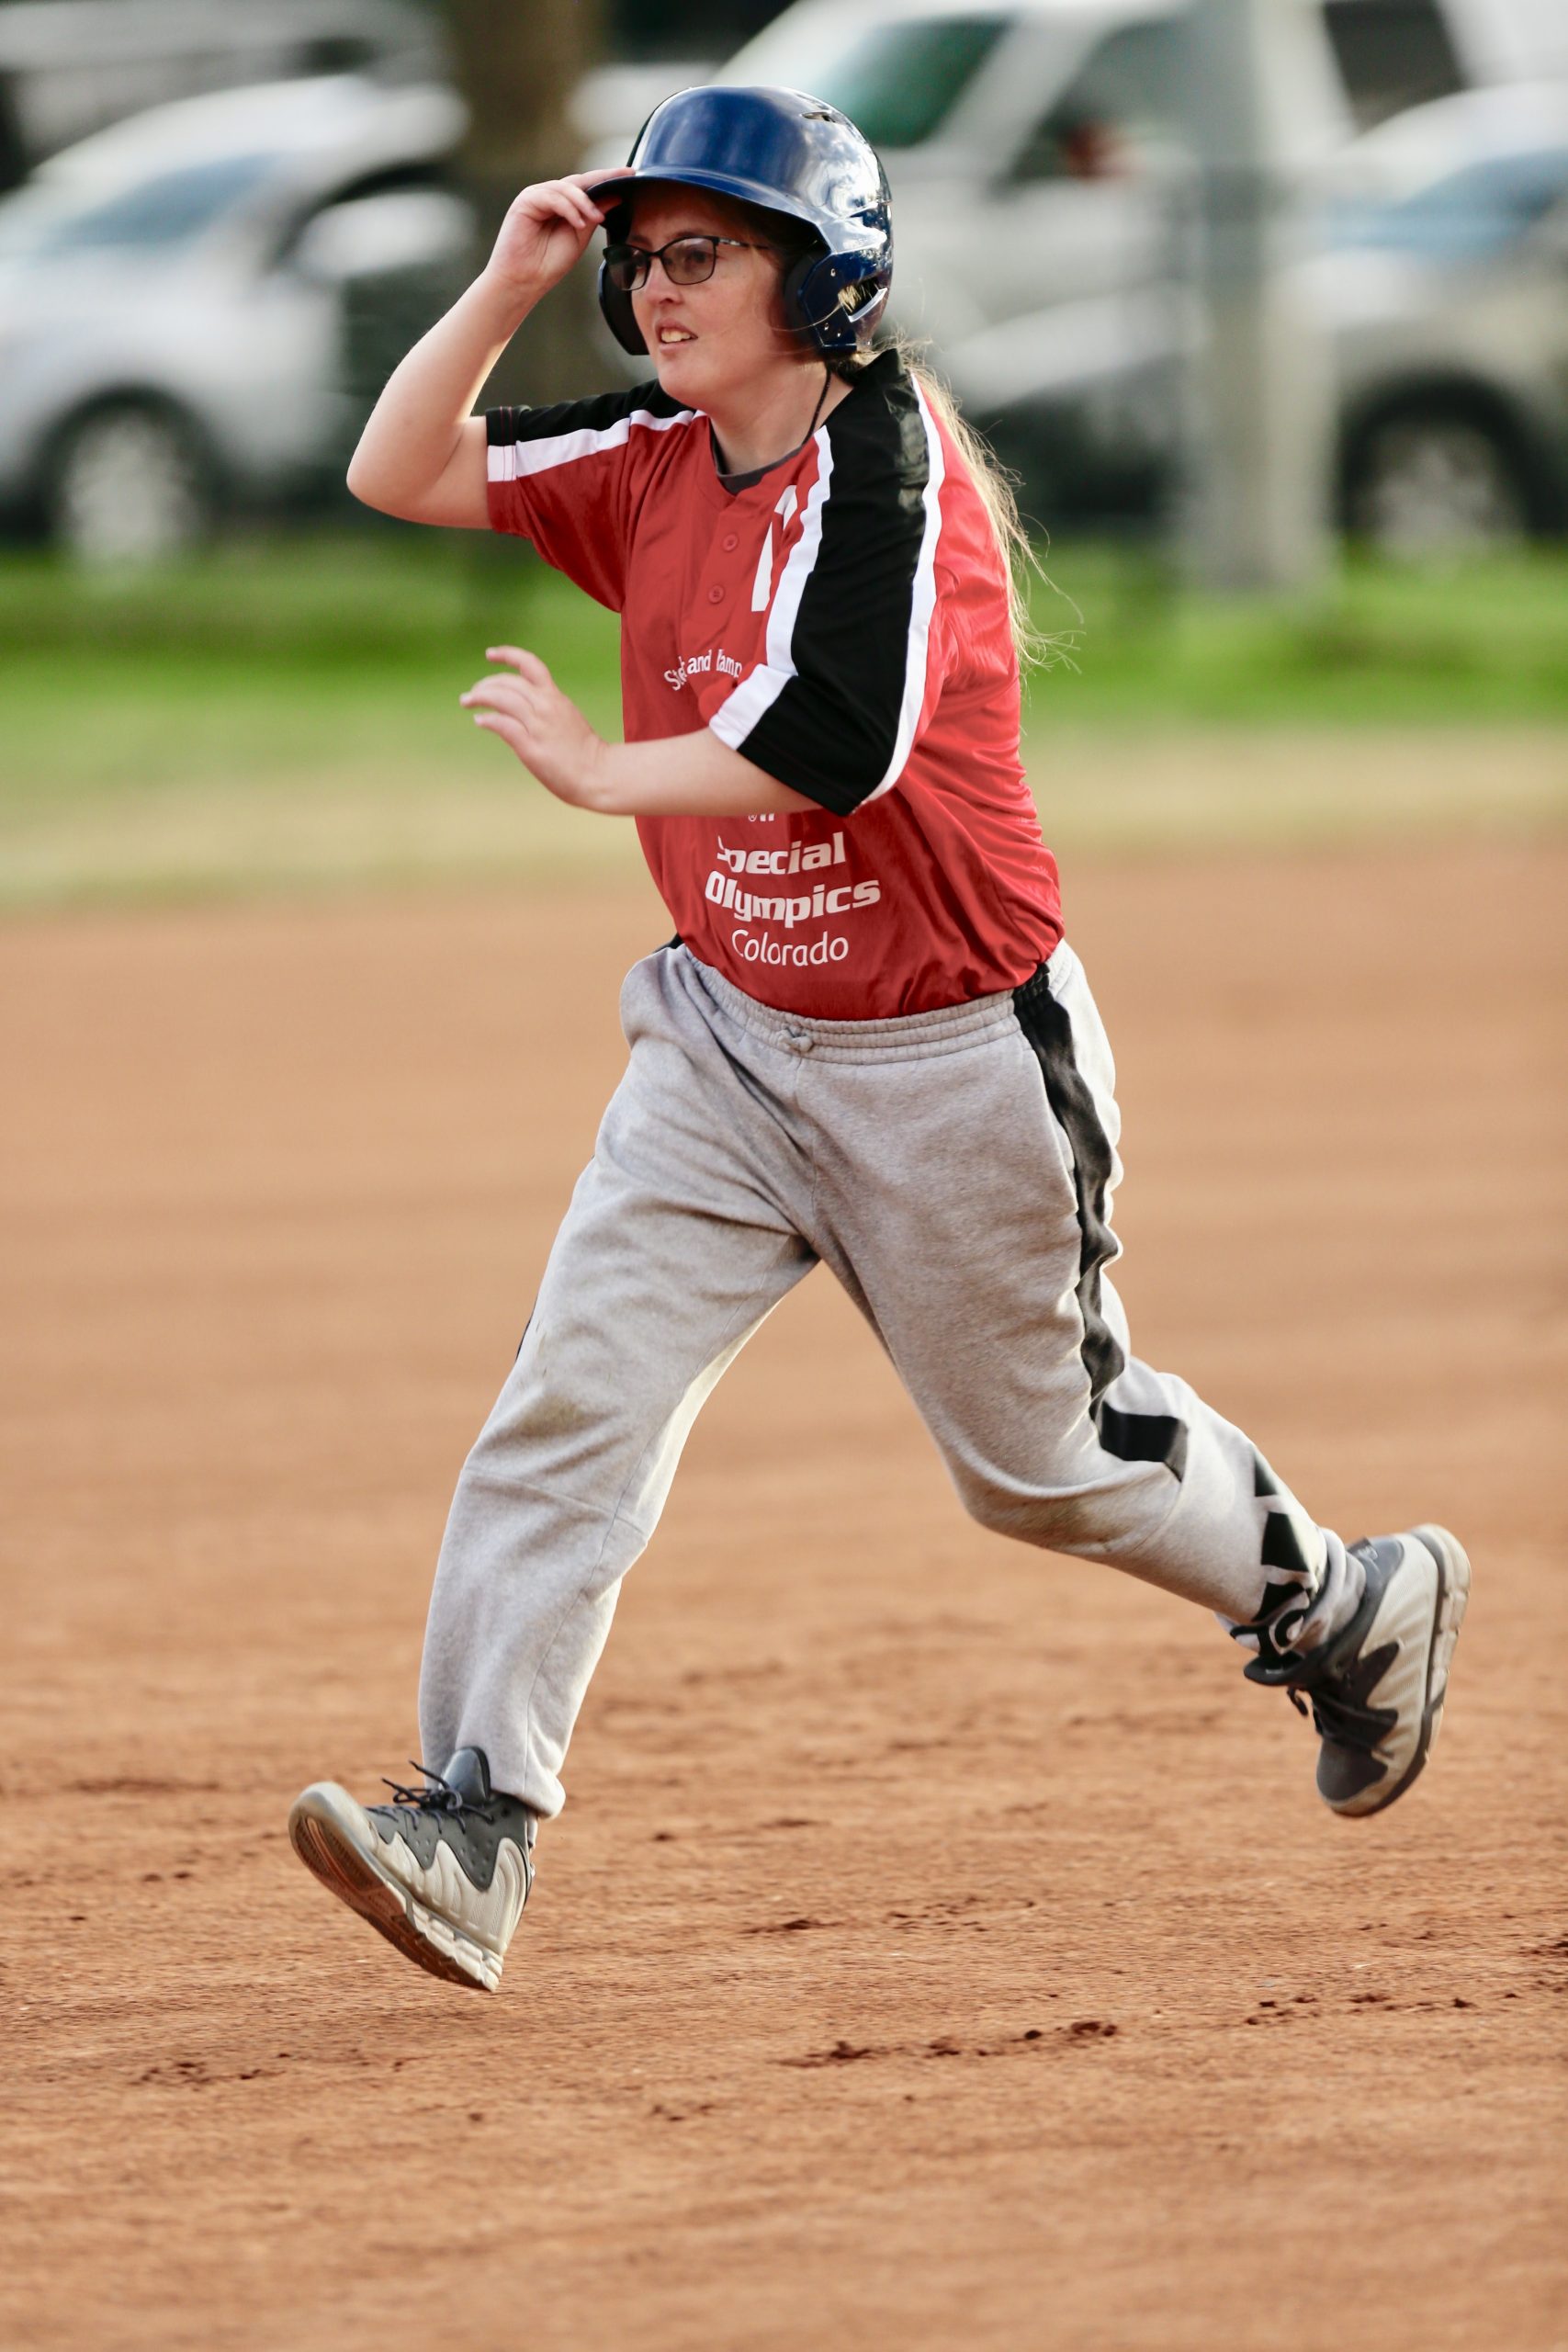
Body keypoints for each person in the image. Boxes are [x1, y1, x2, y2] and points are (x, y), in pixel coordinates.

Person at [288, 86, 1469, 1994]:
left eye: (702, 252)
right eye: (640, 257)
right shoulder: (651, 450)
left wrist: (599, 774)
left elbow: (828, 744)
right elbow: (397, 469)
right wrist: (507, 280)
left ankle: (1346, 1603)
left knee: (1040, 1464)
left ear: (821, 275)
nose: (655, 290)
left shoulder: (891, 474)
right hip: (724, 1043)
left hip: (950, 1059)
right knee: (573, 1397)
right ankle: (477, 1823)